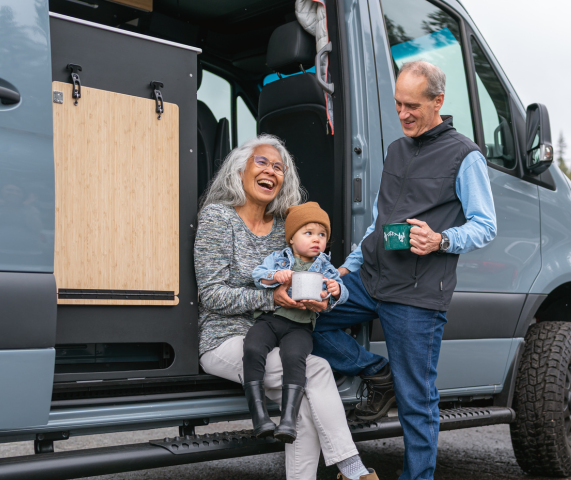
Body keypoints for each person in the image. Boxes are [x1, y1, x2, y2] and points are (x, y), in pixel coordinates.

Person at [312, 60, 498, 480]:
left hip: (417, 292)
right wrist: (348, 267)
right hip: (371, 277)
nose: (403, 114)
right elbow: (380, 223)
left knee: (417, 401)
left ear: (438, 101)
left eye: (412, 105)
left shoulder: (465, 156)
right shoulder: (397, 149)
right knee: (308, 315)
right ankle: (377, 372)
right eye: (397, 104)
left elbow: (486, 225)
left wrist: (440, 239)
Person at [195, 134, 377, 480]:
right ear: (239, 171)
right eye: (261, 162)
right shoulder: (219, 219)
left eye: (279, 167)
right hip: (224, 340)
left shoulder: (284, 229)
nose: (271, 171)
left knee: (304, 409)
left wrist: (322, 297)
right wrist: (271, 297)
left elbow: (308, 275)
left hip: (279, 338)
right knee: (318, 370)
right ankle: (353, 469)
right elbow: (211, 295)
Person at [245, 202, 347, 443]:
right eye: (308, 233)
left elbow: (342, 293)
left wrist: (335, 290)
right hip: (271, 319)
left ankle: (288, 421)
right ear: (291, 238)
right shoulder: (278, 259)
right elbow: (257, 275)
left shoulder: (326, 267)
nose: (317, 240)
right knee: (252, 347)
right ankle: (259, 416)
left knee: (294, 358)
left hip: (300, 326)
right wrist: (274, 276)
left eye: (322, 235)